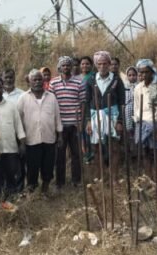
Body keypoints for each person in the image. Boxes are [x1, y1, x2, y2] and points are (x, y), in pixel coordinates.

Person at [19, 69, 63, 193]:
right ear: (29, 82)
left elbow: (57, 117)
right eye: (35, 80)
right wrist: (21, 140)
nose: (38, 82)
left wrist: (60, 135)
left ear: (43, 81)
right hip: (31, 140)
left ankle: (45, 190)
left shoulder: (51, 97)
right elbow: (19, 120)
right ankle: (32, 191)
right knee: (32, 168)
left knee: (48, 166)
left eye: (40, 79)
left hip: (49, 139)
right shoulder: (23, 98)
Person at [84, 50, 125, 179]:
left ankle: (114, 177)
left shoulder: (116, 80)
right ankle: (100, 176)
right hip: (95, 116)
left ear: (109, 64)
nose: (102, 66)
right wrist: (88, 121)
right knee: (96, 148)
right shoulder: (91, 80)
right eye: (99, 64)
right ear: (96, 65)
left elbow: (122, 102)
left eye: (105, 63)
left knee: (114, 147)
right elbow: (87, 101)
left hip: (112, 116)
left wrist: (120, 121)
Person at [132, 58, 157, 192]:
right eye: (141, 72)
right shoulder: (138, 88)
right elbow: (136, 107)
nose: (143, 75)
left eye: (146, 72)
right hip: (142, 124)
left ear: (152, 72)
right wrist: (139, 124)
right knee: (146, 154)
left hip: (156, 124)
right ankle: (150, 182)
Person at [0, 74, 25, 199]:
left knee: (11, 177)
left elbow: (18, 126)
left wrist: (22, 144)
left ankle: (12, 201)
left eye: (0, 88)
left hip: (10, 148)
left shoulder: (11, 105)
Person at [49, 56, 83, 188]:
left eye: (68, 65)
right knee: (60, 155)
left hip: (75, 124)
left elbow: (82, 102)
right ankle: (60, 182)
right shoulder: (53, 83)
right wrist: (54, 124)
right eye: (63, 65)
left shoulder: (79, 82)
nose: (66, 67)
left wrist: (80, 122)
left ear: (71, 67)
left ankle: (76, 180)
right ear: (59, 67)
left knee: (76, 154)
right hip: (60, 126)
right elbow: (51, 104)